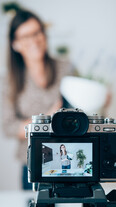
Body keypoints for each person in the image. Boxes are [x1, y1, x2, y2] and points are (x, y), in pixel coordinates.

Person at [2, 10, 73, 189]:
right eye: (26, 36)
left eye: (37, 32)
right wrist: (46, 120)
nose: (34, 40)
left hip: (69, 159)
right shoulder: (8, 82)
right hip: (32, 163)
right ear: (15, 44)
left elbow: (81, 110)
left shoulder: (66, 68)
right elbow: (8, 126)